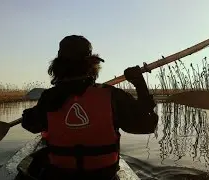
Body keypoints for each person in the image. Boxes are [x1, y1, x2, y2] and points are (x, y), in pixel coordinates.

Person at [21, 35, 159, 180]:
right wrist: (139, 84)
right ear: (91, 64)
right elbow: (147, 125)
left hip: (60, 175)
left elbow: (29, 124)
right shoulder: (111, 96)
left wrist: (30, 113)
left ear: (57, 66)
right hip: (104, 176)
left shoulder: (49, 98)